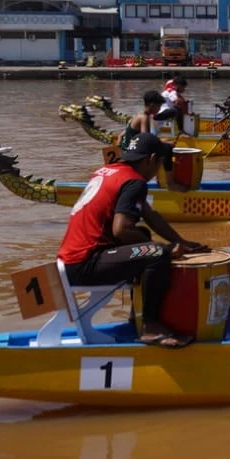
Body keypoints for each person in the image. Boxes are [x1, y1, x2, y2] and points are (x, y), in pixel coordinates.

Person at [56, 133, 207, 348]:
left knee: (145, 238)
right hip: (85, 263)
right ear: (152, 159)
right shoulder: (134, 182)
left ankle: (137, 316)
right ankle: (151, 327)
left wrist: (180, 241)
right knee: (156, 254)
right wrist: (165, 248)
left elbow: (149, 214)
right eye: (159, 167)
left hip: (70, 261)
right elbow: (121, 230)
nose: (157, 174)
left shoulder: (111, 171)